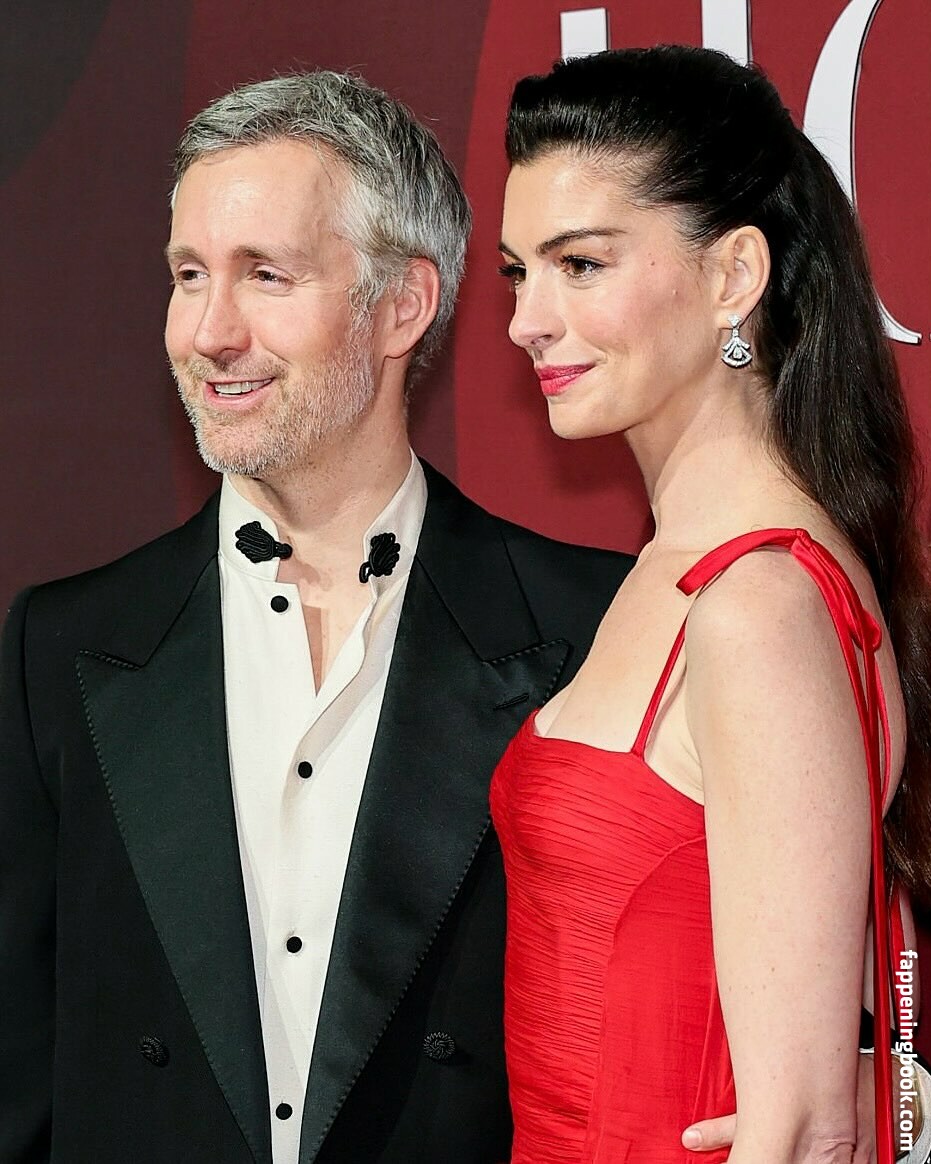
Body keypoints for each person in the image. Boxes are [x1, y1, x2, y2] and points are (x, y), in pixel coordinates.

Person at [0, 71, 631, 1163]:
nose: (209, 332)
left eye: (265, 275)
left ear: (402, 306)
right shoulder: (61, 646)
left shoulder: (593, 629)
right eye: (188, 275)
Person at [490, 45, 931, 1164]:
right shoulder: (680, 567)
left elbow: (805, 1130)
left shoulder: (756, 607)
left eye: (579, 264)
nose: (527, 318)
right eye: (517, 273)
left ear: (734, 274)